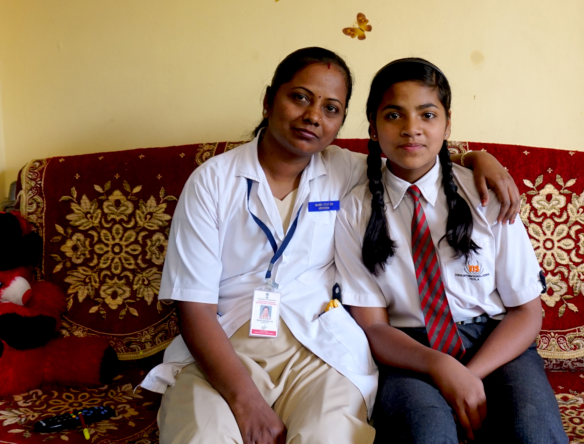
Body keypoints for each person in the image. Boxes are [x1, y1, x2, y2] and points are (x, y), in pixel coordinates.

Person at [139, 47, 521, 444]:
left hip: (319, 347)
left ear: (341, 122)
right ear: (270, 100)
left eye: (331, 108)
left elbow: (414, 156)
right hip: (225, 347)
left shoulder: (347, 169)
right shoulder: (212, 181)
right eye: (300, 97)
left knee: (330, 435)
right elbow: (194, 308)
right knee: (201, 436)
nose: (313, 116)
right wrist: (245, 401)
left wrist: (478, 158)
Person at [334, 58, 568, 444]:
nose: (412, 129)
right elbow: (374, 326)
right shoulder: (354, 210)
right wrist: (439, 365)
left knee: (534, 432)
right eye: (394, 115)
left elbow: (527, 312)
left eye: (427, 114)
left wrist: (468, 375)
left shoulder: (487, 195)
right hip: (406, 352)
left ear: (447, 123)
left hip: (495, 344)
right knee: (425, 434)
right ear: (373, 127)